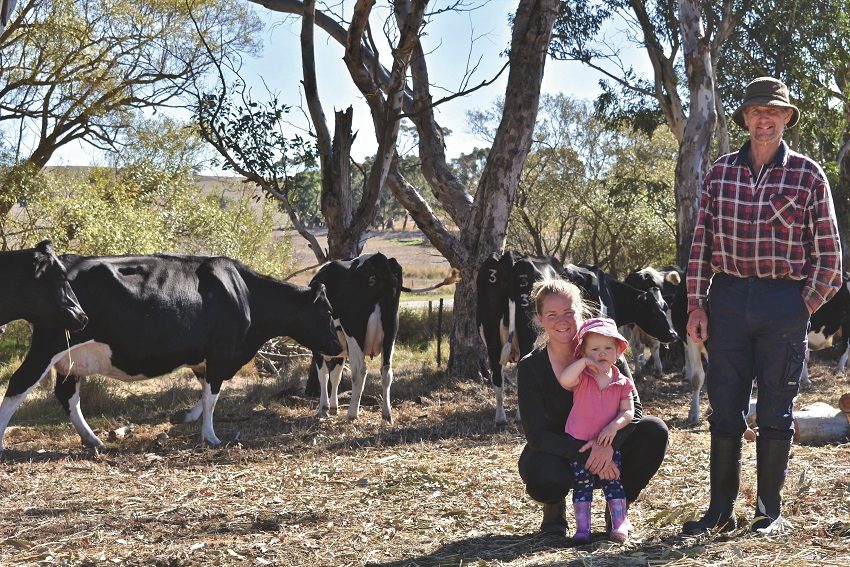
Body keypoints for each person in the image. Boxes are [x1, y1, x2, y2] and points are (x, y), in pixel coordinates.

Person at [684, 76, 843, 535]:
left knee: (776, 409)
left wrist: (803, 305)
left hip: (783, 302)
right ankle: (719, 512)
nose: (764, 119)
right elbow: (701, 247)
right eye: (756, 112)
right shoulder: (719, 173)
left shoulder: (808, 175)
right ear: (746, 118)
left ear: (787, 118)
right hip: (728, 300)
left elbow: (830, 256)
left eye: (773, 112)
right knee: (726, 409)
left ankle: (769, 512)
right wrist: (697, 304)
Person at [517, 278, 669, 541]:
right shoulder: (532, 366)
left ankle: (618, 511)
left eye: (568, 312)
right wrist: (589, 455)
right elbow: (537, 435)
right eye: (552, 314)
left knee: (654, 430)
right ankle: (554, 512)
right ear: (540, 319)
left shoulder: (607, 352)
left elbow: (636, 408)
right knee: (543, 474)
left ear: (581, 312)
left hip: (608, 445)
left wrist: (607, 445)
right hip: (559, 452)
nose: (562, 320)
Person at [556, 317, 635, 543]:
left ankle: (619, 525)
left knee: (613, 480)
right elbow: (565, 379)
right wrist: (582, 363)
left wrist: (613, 427)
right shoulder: (582, 376)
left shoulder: (622, 382)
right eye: (594, 349)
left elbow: (628, 411)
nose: (602, 353)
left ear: (618, 351)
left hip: (607, 443)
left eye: (608, 348)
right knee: (582, 485)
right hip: (579, 443)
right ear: (583, 352)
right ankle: (583, 529)